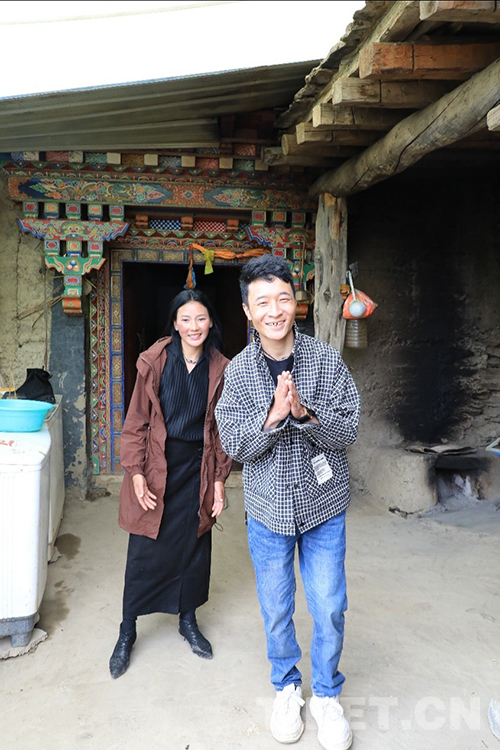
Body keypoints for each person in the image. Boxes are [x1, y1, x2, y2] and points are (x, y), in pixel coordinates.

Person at [214, 256, 360, 750]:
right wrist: (274, 417)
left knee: (330, 605)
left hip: (323, 506)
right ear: (247, 311)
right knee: (276, 608)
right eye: (262, 302)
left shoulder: (326, 360)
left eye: (283, 298)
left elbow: (349, 429)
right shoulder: (237, 372)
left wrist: (304, 414)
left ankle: (327, 695)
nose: (274, 310)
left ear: (297, 302)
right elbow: (235, 444)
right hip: (268, 510)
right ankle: (287, 687)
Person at [109, 289, 232, 679]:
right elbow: (136, 423)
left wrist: (219, 480)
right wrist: (136, 472)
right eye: (186, 319)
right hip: (157, 465)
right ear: (175, 324)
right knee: (145, 549)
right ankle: (127, 630)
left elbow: (222, 432)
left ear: (210, 322)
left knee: (193, 547)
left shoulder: (221, 368)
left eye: (201, 318)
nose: (194, 326)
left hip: (197, 467)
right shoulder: (155, 361)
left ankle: (187, 620)